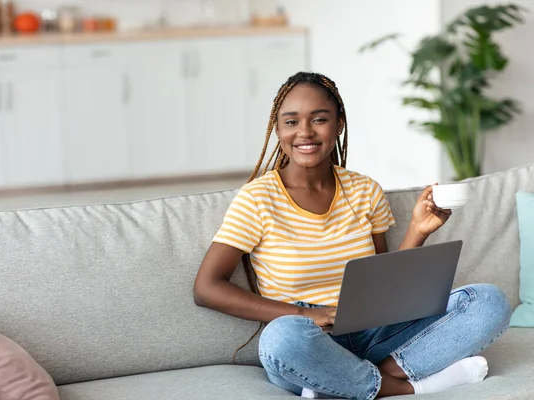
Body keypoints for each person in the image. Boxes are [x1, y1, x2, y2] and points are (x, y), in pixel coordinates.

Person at [193, 71, 512, 400]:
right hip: (307, 335)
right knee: (279, 340)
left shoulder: (364, 190)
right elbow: (206, 288)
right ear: (277, 129)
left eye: (319, 119)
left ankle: (349, 381)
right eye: (291, 122)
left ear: (339, 124)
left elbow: (386, 286)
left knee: (488, 301)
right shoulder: (257, 199)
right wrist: (306, 315)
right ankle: (411, 387)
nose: (305, 132)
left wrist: (418, 230)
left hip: (372, 327)